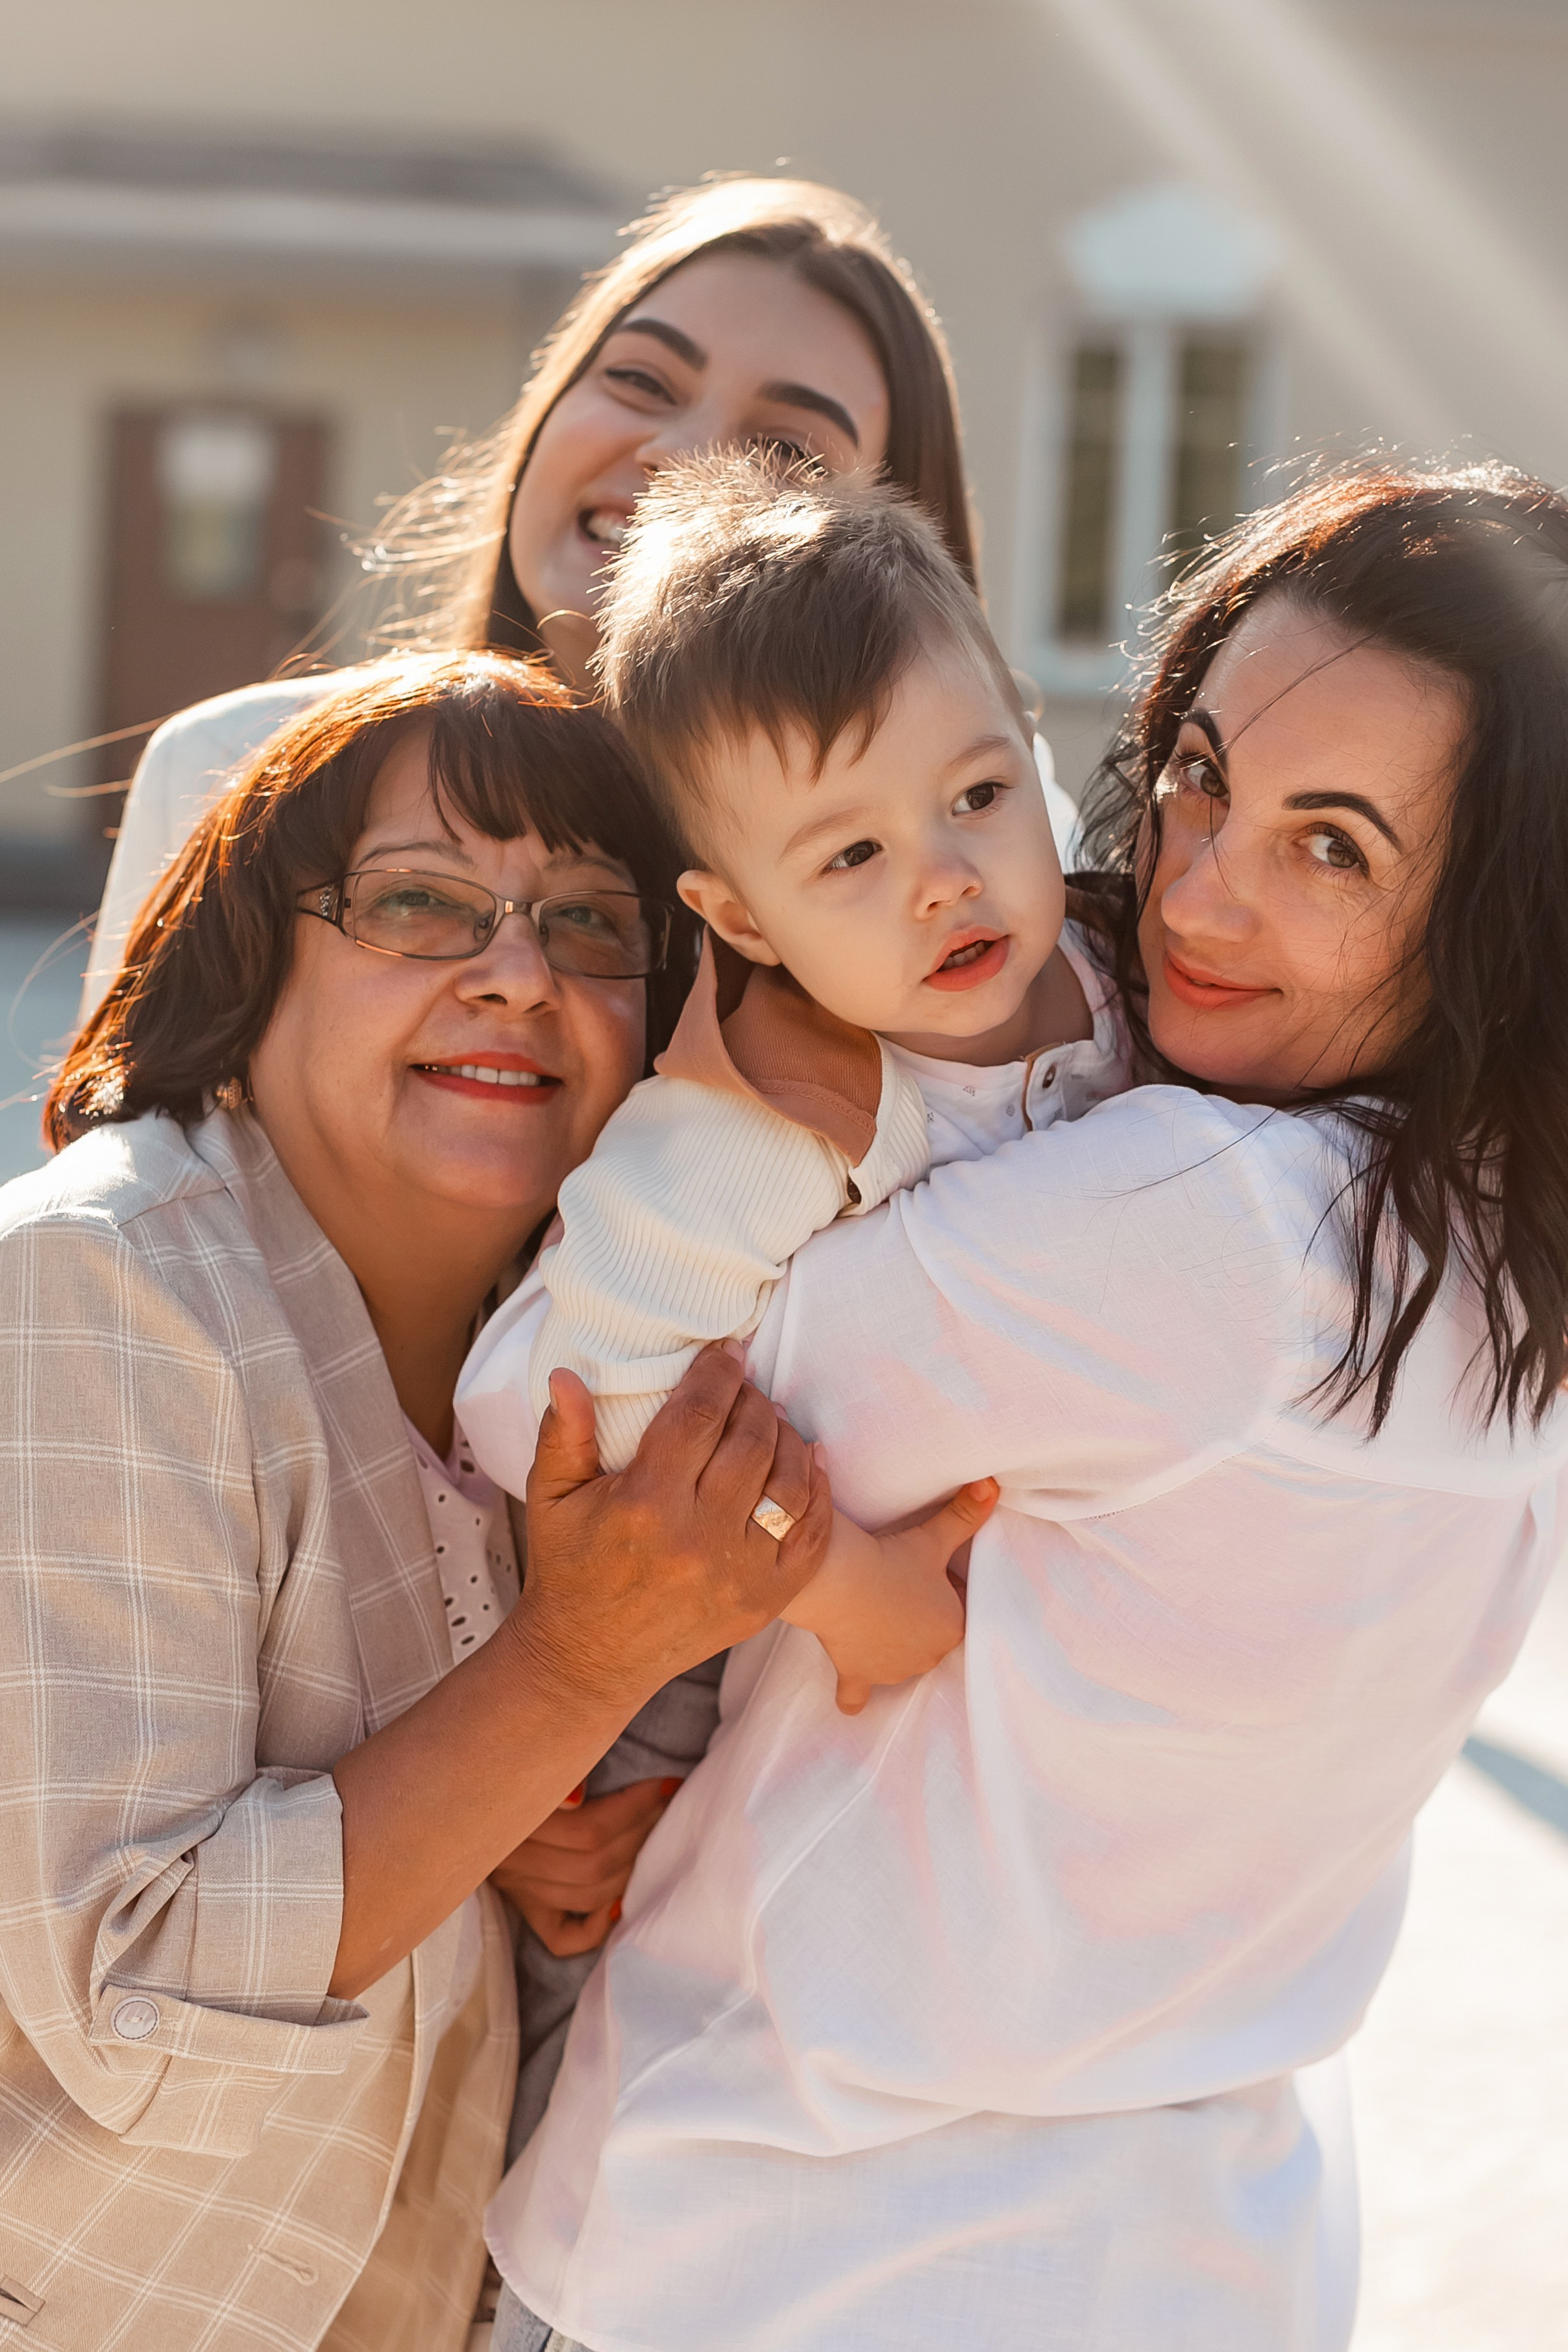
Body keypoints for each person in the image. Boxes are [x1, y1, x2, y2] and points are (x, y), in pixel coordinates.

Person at [484, 463, 1568, 2352]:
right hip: (1208, 2248)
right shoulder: (1498, 1252)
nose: (1200, 886)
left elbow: (594, 1432)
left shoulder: (1206, 1224)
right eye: (1206, 774)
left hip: (798, 2245)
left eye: (1339, 849)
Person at [0, 653, 833, 2352]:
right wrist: (571, 1676)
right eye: (420, 905)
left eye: (592, 928)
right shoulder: (97, 1288)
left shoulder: (565, 1376)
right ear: (250, 955)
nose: (519, 976)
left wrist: (551, 1864)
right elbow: (134, 1987)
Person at [461, 454, 1123, 1721]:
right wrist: (830, 1576)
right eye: (852, 855)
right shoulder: (774, 1114)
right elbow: (592, 1398)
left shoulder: (1126, 972)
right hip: (791, 1674)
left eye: (976, 795)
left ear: (1028, 737)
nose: (941, 877)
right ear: (742, 920)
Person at [82, 173, 1077, 1014]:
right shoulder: (228, 774)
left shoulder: (1002, 857)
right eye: (642, 381)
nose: (677, 455)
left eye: (783, 450)